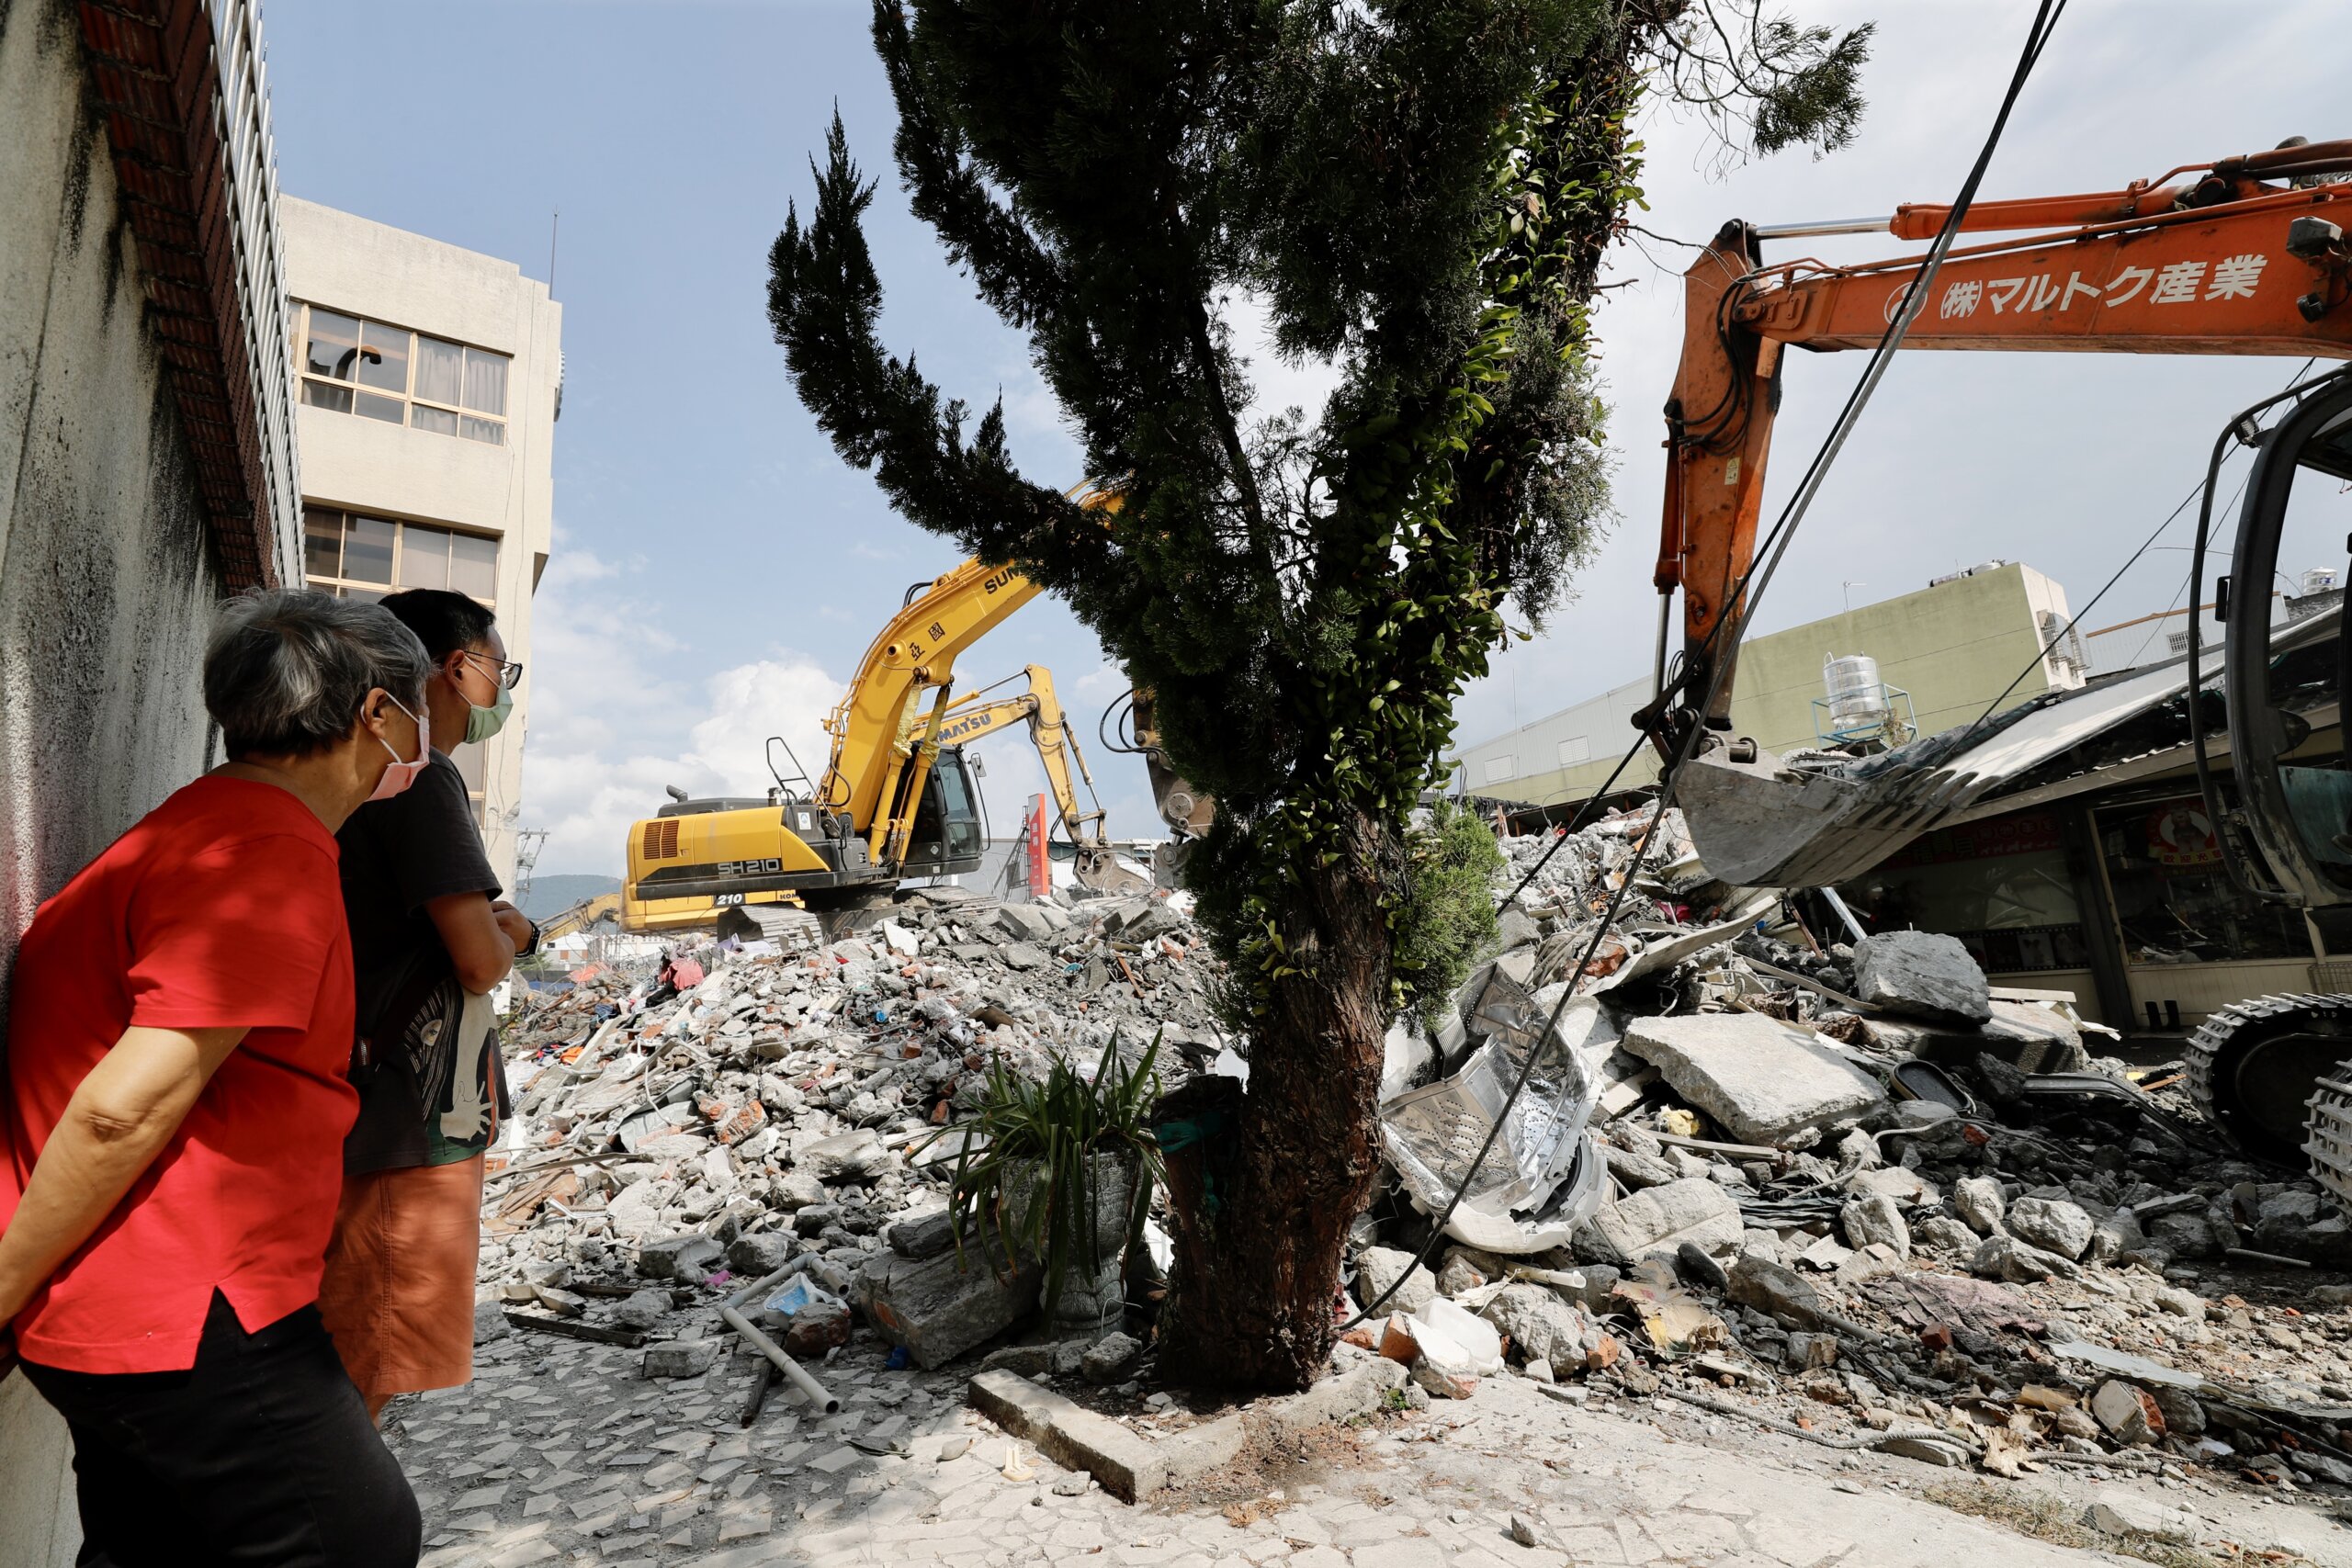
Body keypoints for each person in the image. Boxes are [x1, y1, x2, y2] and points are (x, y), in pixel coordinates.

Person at [0, 589, 431, 1566]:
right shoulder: (266, 853)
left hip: (125, 1299)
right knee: (357, 1541)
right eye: (418, 710)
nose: (426, 737)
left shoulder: (195, 824)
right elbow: (125, 1106)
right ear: (374, 715)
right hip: (191, 1301)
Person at [319, 588, 535, 1420]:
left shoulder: (364, 773)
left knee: (353, 1346)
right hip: (408, 1117)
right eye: (499, 668)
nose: (502, 692)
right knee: (366, 1357)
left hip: (371, 1102)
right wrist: (513, 934)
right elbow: (479, 959)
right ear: (457, 666)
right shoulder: (424, 778)